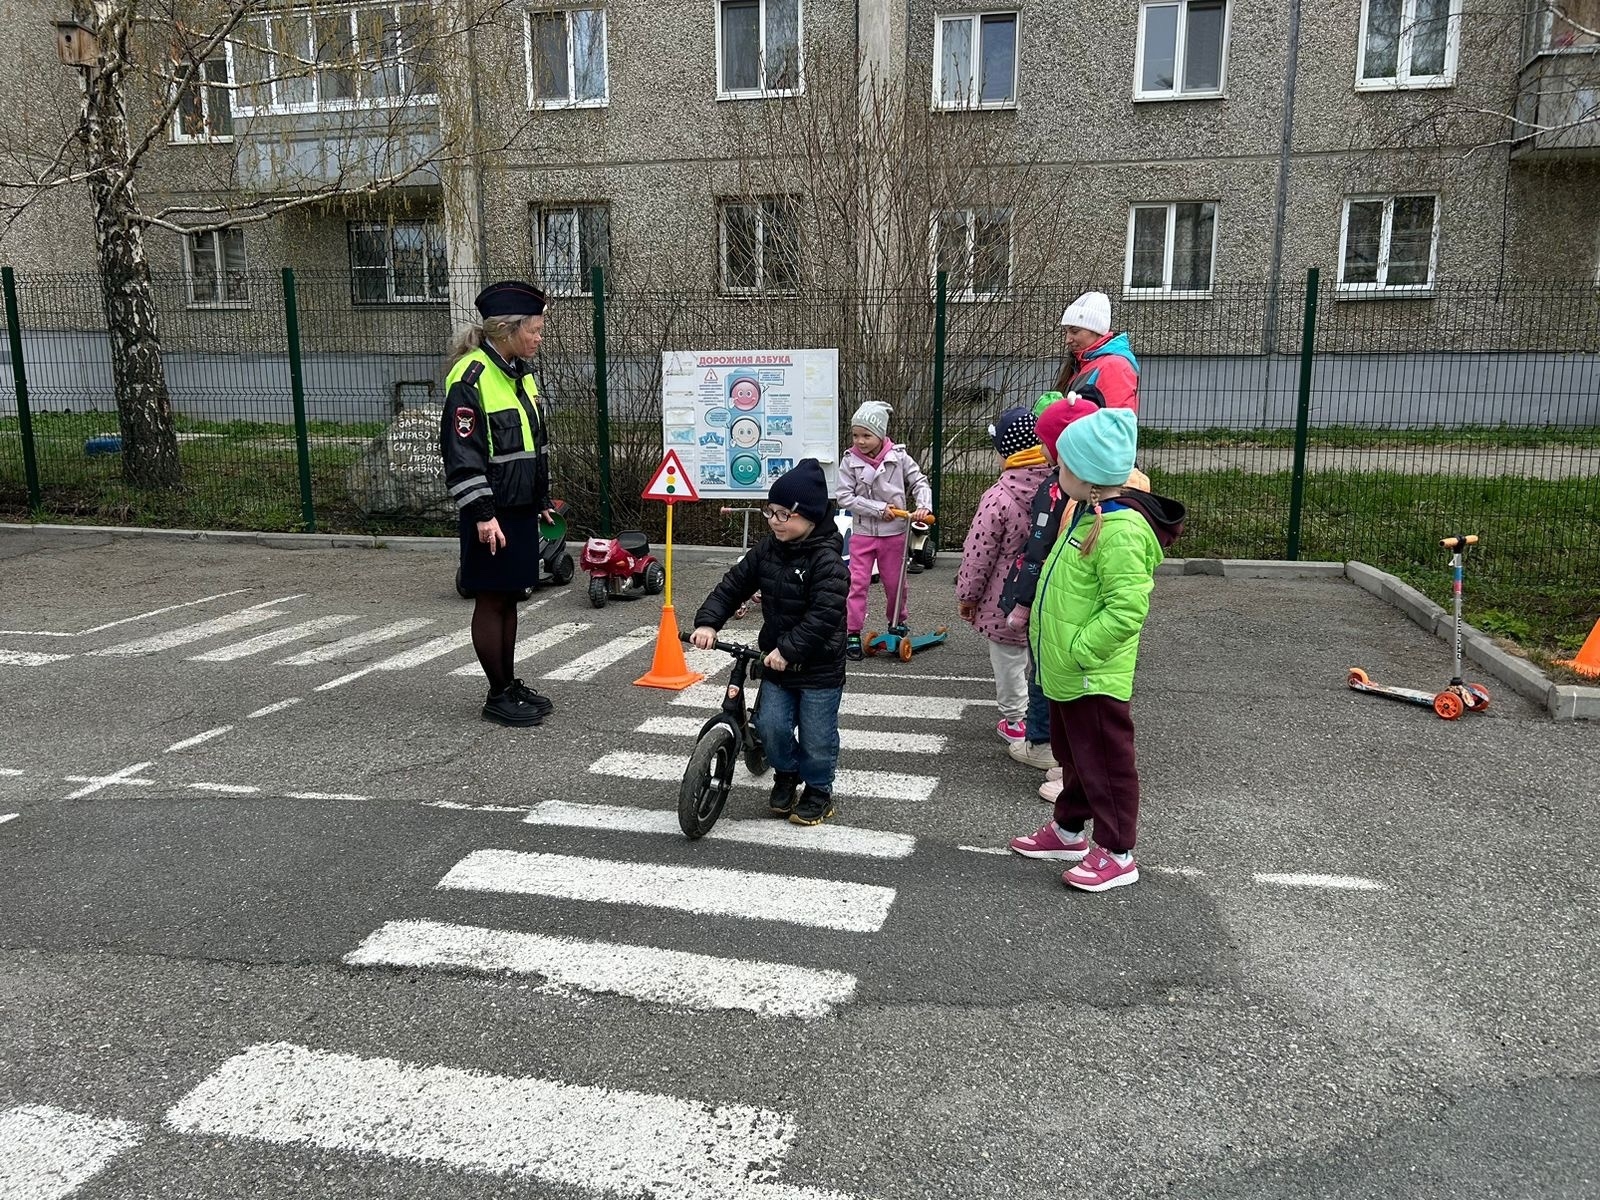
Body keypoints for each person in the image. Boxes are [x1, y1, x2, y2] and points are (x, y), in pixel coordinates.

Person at [1007, 408, 1184, 892]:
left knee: (1106, 763)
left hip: (1091, 673)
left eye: (1061, 464)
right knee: (1074, 754)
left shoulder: (1121, 529)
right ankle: (1069, 831)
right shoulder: (1087, 512)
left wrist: (1082, 650)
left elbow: (1126, 609)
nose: (1054, 471)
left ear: (1085, 473)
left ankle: (1118, 852)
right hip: (1067, 670)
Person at [692, 459, 849, 827]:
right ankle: (786, 773)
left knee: (817, 737)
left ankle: (818, 791)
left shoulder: (827, 561)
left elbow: (824, 616)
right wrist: (708, 621)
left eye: (784, 515)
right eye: (771, 512)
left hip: (818, 668)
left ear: (809, 517)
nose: (775, 521)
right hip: (776, 663)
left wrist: (788, 650)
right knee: (772, 728)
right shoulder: (768, 550)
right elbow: (735, 584)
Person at [440, 280, 557, 729]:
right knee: (491, 599)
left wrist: (541, 498)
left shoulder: (517, 372)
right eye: (536, 329)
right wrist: (483, 515)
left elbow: (533, 444)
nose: (540, 337)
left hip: (519, 507)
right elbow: (462, 453)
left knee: (510, 596)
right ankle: (496, 694)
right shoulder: (470, 376)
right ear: (509, 329)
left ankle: (508, 684)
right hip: (491, 512)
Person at [955, 406, 1054, 745]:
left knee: (1009, 658)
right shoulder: (1060, 487)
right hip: (1049, 594)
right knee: (1042, 656)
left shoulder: (998, 497)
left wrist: (967, 596)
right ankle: (1047, 718)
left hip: (1005, 598)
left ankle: (1016, 719)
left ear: (1004, 452)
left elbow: (978, 554)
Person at [834, 400, 934, 661]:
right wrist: (878, 508)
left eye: (866, 435)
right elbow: (844, 496)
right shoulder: (850, 461)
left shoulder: (898, 457)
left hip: (894, 533)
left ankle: (897, 622)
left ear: (880, 435)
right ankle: (852, 631)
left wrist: (923, 505)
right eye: (856, 435)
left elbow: (919, 481)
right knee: (857, 584)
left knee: (895, 583)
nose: (860, 441)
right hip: (864, 533)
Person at [1054, 290, 1139, 411]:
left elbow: (1115, 422)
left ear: (1096, 330)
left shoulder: (1114, 366)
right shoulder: (1084, 362)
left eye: (1074, 331)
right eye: (1066, 332)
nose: (1067, 340)